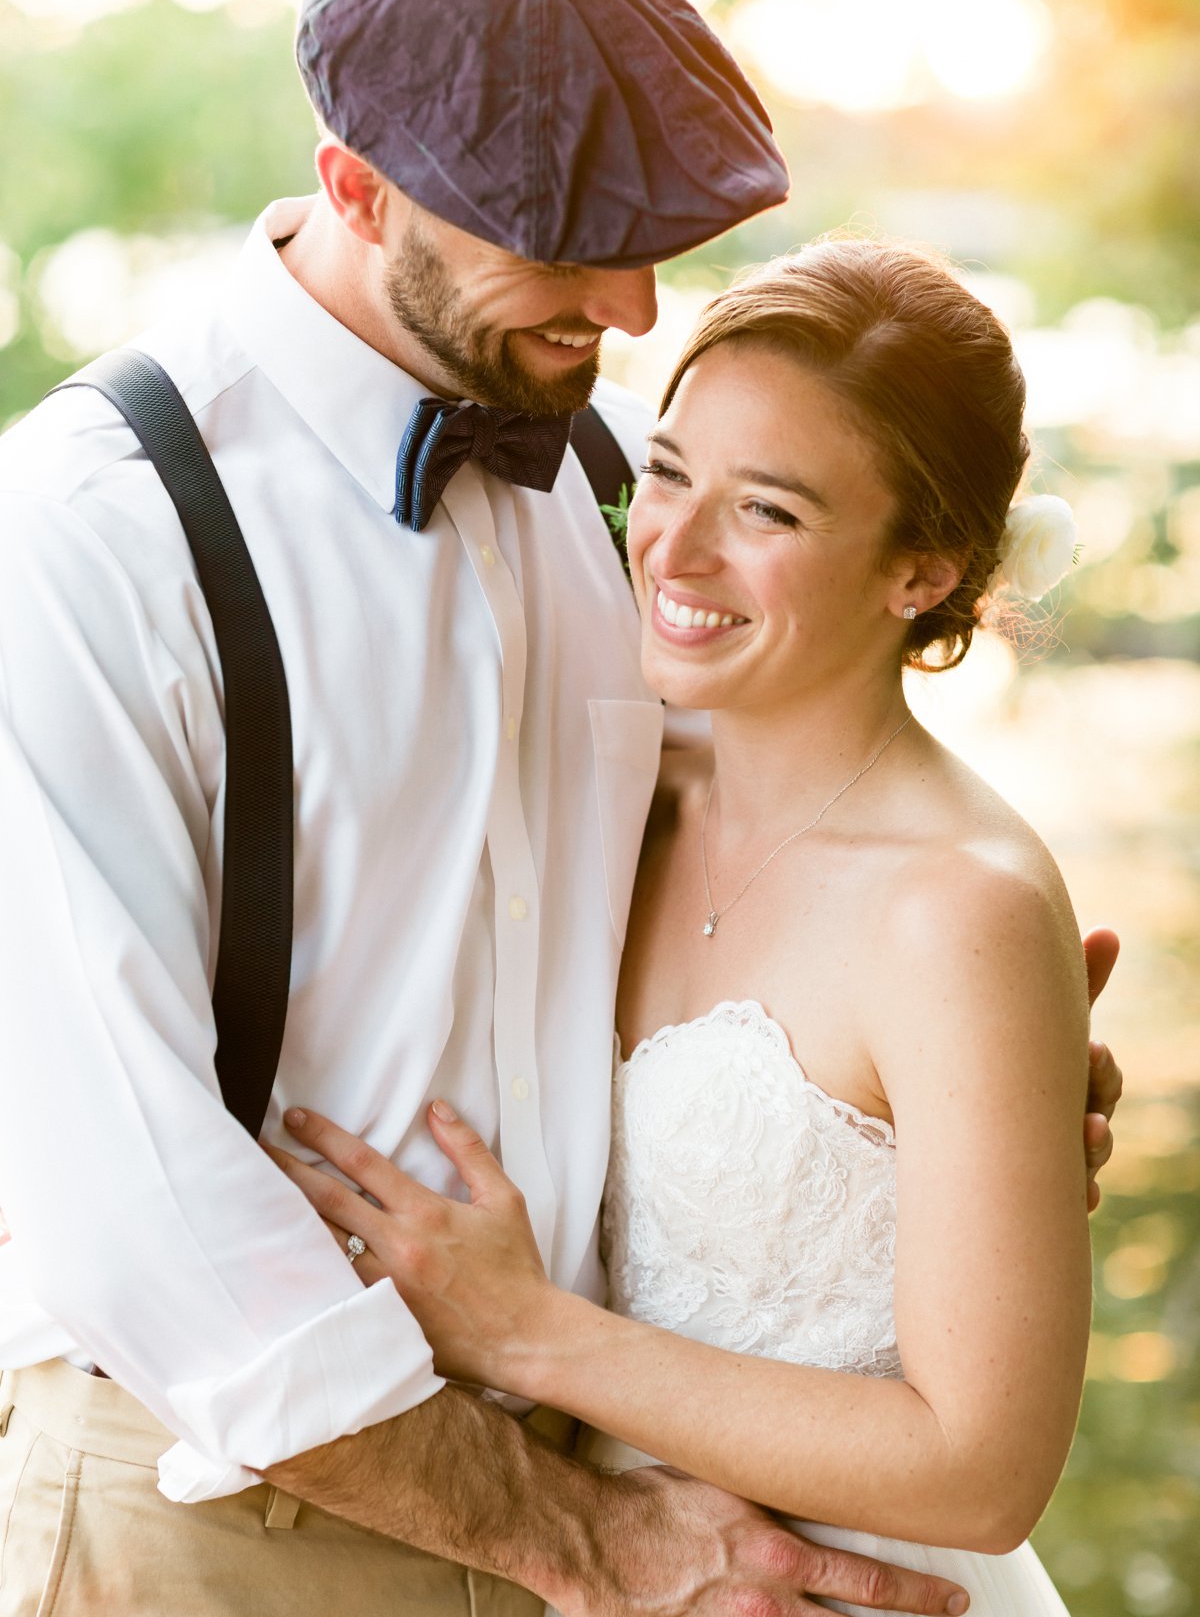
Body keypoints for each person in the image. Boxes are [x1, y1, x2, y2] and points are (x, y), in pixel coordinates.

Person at [0, 0, 1050, 1617]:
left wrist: (954, 1110)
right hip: (222, 1519)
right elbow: (119, 1189)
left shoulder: (611, 482)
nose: (632, 312)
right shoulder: (88, 538)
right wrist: (591, 1542)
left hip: (616, 1502)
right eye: (564, 249)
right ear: (352, 182)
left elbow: (729, 903)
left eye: (651, 246)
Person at [268, 239, 1121, 1617]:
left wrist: (533, 1337)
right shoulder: (612, 801)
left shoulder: (959, 907)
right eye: (667, 472)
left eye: (769, 512)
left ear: (922, 568)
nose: (676, 545)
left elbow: (980, 1468)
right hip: (623, 1572)